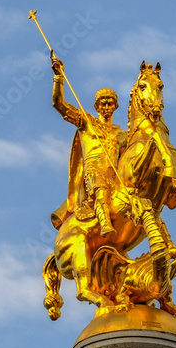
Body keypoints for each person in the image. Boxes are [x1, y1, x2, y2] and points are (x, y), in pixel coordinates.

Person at [51, 53, 127, 237]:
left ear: (115, 106)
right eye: (103, 103)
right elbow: (59, 104)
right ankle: (105, 224)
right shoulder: (87, 122)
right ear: (97, 106)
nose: (106, 107)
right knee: (101, 190)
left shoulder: (121, 134)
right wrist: (59, 78)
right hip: (94, 173)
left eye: (110, 104)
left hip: (115, 176)